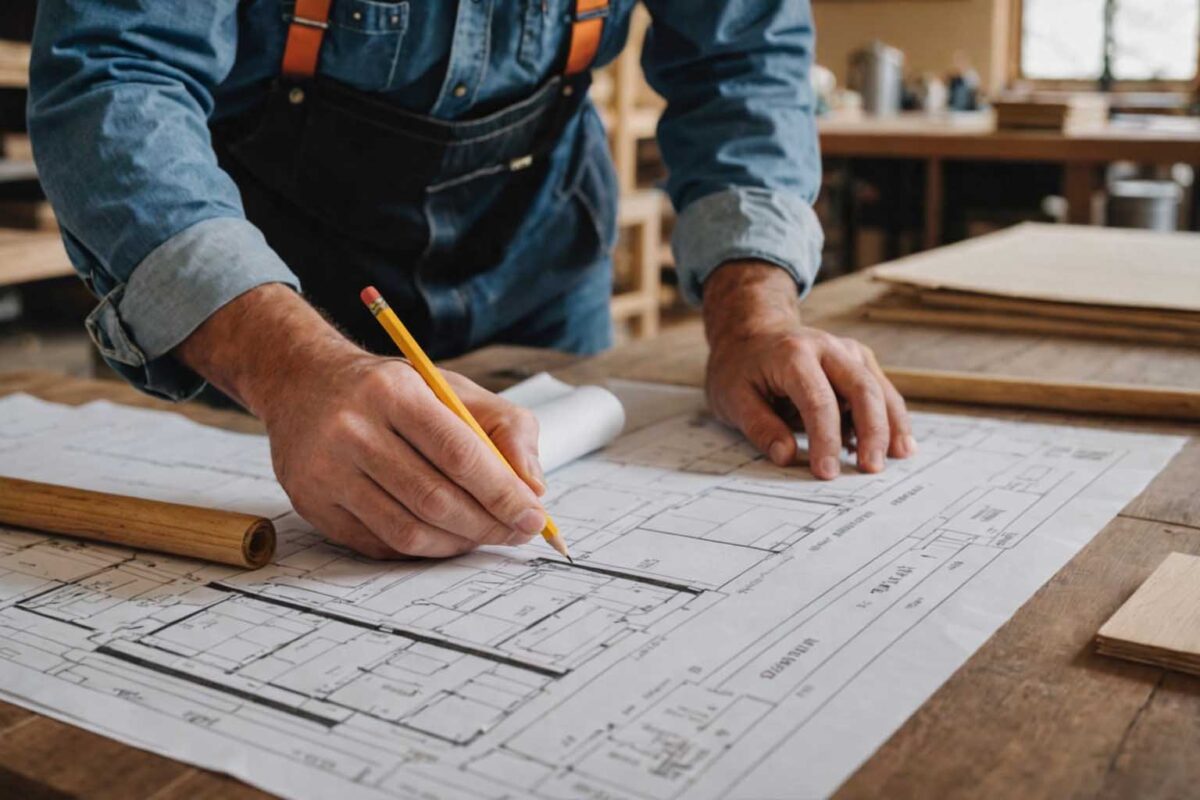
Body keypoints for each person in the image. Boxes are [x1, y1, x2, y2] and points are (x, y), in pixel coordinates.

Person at [28, 0, 914, 560]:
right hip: (261, 301)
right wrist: (286, 366)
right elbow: (117, 71)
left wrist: (753, 314)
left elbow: (740, 61)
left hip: (536, 266)